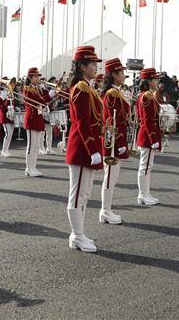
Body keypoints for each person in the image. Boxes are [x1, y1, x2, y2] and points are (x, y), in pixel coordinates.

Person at [65, 46, 104, 252]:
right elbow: (82, 122)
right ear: (82, 66)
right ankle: (76, 235)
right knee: (78, 193)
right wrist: (92, 149)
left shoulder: (88, 87)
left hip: (89, 146)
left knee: (85, 193)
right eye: (92, 64)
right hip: (82, 147)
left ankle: (80, 233)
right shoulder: (80, 88)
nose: (96, 68)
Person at [99, 57, 129, 224]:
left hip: (117, 140)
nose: (124, 75)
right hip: (113, 142)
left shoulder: (116, 91)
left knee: (112, 177)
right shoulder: (112, 93)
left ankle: (107, 209)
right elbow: (113, 120)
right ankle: (105, 210)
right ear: (113, 75)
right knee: (110, 177)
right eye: (121, 73)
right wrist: (120, 143)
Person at [135, 67, 162, 205]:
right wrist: (153, 138)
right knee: (145, 166)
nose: (157, 81)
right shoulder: (146, 96)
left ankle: (146, 193)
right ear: (149, 81)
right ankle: (142, 194)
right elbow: (147, 119)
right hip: (147, 135)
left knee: (147, 166)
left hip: (148, 135)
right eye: (155, 79)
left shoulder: (148, 95)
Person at [22, 68, 51, 177]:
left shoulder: (37, 88)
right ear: (29, 77)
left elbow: (45, 99)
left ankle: (33, 167)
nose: (38, 78)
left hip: (38, 118)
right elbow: (38, 101)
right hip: (32, 118)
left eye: (38, 76)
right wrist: (49, 95)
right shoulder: (27, 89)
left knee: (36, 145)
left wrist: (47, 90)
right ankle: (28, 168)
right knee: (31, 145)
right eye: (35, 77)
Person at [0, 77, 15, 158]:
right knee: (8, 133)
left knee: (10, 134)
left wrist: (15, 108)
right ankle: (3, 150)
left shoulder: (11, 92)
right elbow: (0, 104)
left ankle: (6, 149)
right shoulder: (2, 93)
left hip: (12, 113)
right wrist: (6, 108)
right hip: (5, 115)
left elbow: (13, 102)